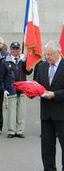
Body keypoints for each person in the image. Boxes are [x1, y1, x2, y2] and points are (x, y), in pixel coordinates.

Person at [35, 40, 64, 171]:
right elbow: (38, 85)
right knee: (46, 147)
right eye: (45, 54)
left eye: (50, 54)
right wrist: (29, 90)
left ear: (59, 52)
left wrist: (55, 95)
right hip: (46, 114)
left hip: (62, 114)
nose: (47, 57)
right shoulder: (41, 67)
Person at [0, 42, 32, 138]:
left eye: (17, 49)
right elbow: (1, 78)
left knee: (21, 111)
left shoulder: (23, 61)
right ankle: (12, 131)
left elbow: (29, 72)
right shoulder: (4, 61)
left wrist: (27, 61)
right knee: (12, 111)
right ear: (10, 49)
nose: (15, 50)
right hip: (10, 89)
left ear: (19, 50)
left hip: (22, 88)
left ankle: (20, 130)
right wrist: (3, 89)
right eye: (13, 48)